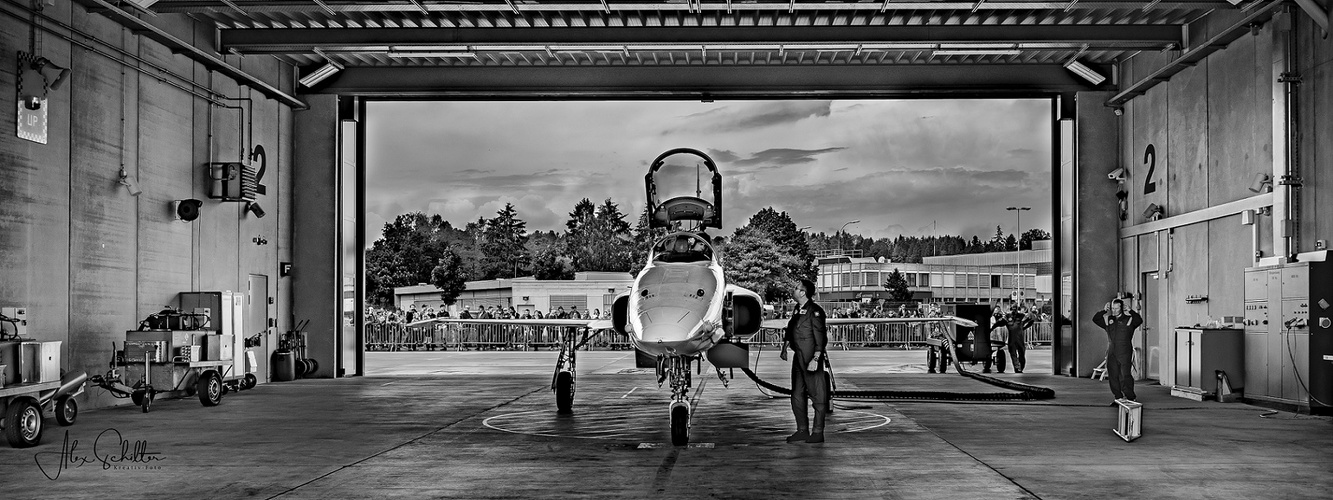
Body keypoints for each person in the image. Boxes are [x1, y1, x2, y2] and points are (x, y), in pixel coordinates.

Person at [780, 279, 829, 444]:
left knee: (817, 395)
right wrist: (786, 346)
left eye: (796, 288)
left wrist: (816, 358)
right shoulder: (798, 309)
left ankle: (817, 432)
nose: (793, 290)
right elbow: (792, 327)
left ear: (803, 292)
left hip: (810, 358)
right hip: (798, 356)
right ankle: (802, 430)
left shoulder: (815, 311)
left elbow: (820, 337)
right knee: (797, 395)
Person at [1092, 298, 1144, 405]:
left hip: (1124, 351)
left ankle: (1130, 397)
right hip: (1111, 352)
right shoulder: (1108, 320)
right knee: (1113, 375)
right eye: (1112, 308)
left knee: (1125, 375)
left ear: (1122, 308)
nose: (1114, 310)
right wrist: (1103, 311)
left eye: (1116, 308)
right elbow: (1096, 319)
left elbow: (1139, 320)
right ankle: (1118, 397)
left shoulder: (1129, 319)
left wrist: (1131, 311)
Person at [1007, 306, 1036, 373]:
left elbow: (1031, 321)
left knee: (1021, 354)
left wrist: (1024, 328)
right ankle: (1017, 368)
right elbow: (1000, 322)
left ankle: (1021, 367)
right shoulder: (1008, 317)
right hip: (1012, 339)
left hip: (1020, 339)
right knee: (1013, 354)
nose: (1014, 311)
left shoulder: (1022, 316)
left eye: (1015, 309)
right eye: (1012, 309)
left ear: (1018, 310)